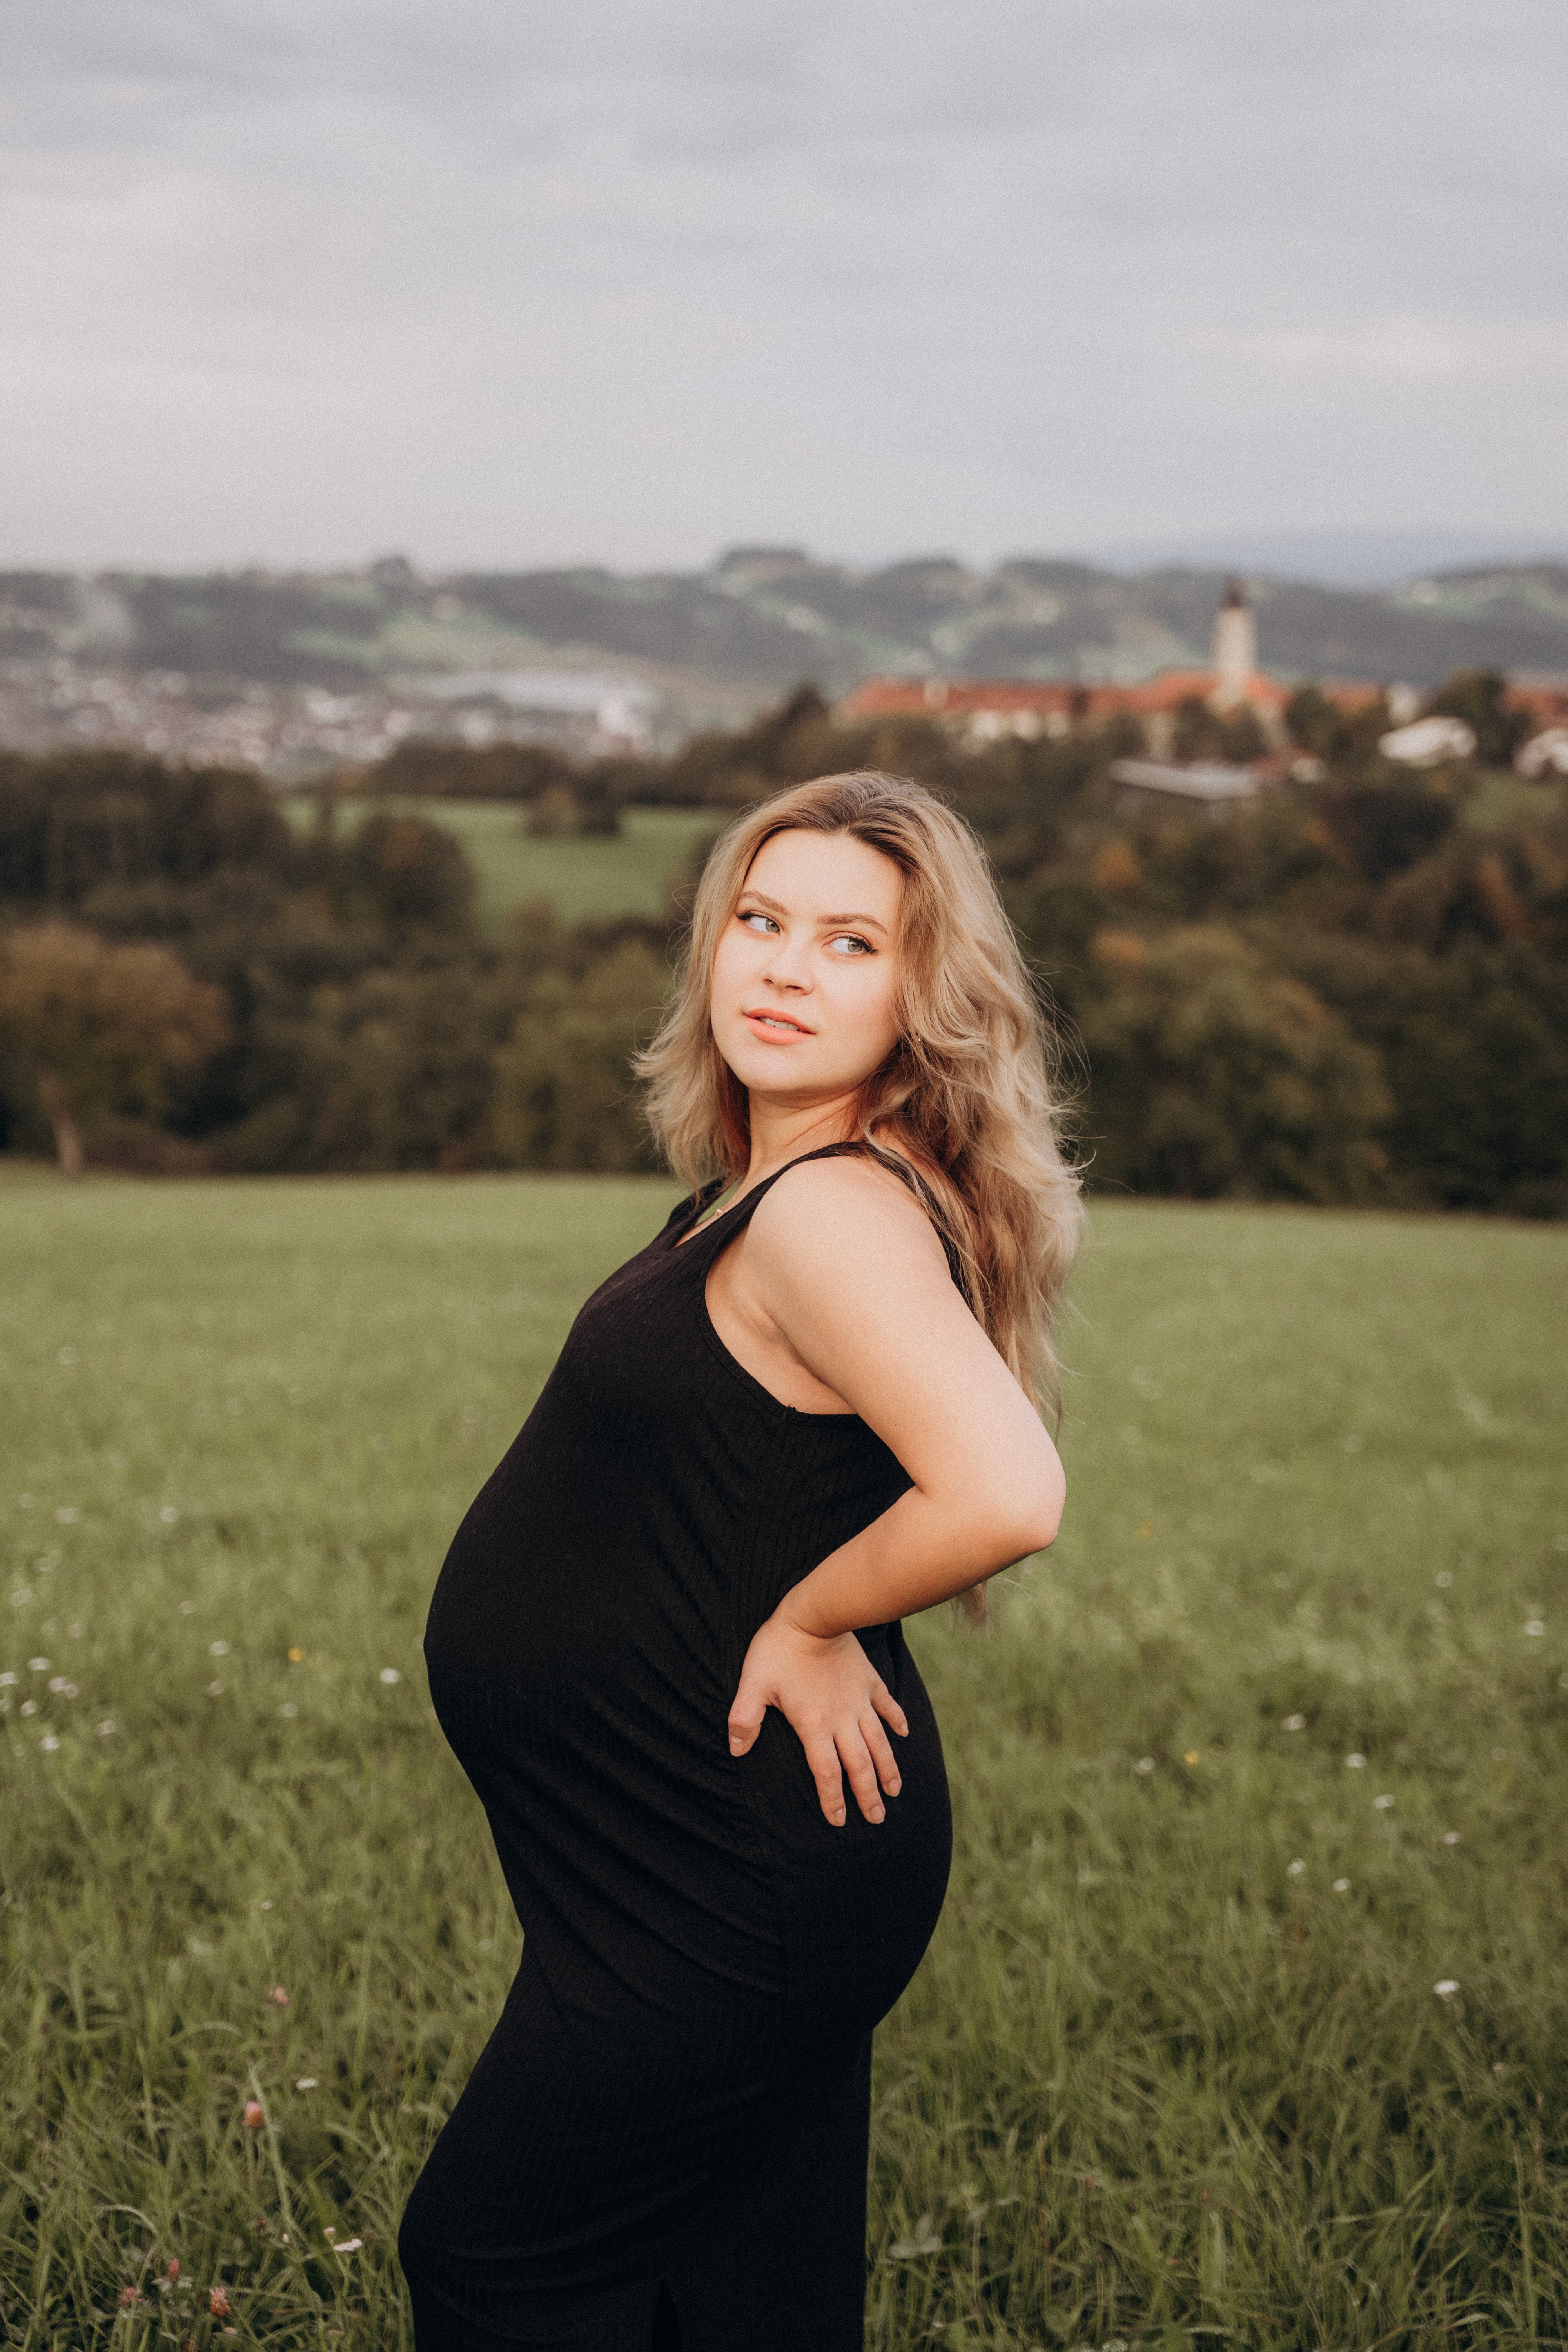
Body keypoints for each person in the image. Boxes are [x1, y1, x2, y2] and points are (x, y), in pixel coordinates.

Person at [399, 770, 1080, 2350]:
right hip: (709, 1862)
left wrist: (816, 1616)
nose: (781, 967)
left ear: (925, 994)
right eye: (760, 922)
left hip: (722, 1877)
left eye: (851, 942)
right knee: (739, 2284)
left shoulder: (828, 1214)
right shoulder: (783, 1188)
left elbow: (1005, 1491)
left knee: (494, 2259)